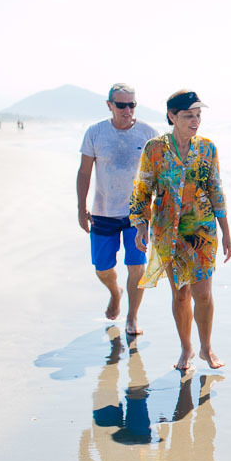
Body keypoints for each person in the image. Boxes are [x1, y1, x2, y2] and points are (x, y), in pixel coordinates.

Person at [130, 90, 231, 371]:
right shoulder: (154, 149)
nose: (195, 121)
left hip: (202, 231)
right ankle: (186, 348)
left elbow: (216, 190)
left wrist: (226, 231)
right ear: (172, 117)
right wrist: (140, 226)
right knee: (180, 294)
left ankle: (206, 347)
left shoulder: (208, 149)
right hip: (167, 232)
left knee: (203, 294)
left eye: (198, 115)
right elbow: (142, 190)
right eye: (189, 116)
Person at [76, 83, 158, 334]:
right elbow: (84, 172)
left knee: (136, 265)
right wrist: (81, 208)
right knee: (102, 268)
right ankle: (115, 291)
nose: (127, 110)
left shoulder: (148, 133)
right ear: (109, 105)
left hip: (138, 214)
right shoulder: (95, 133)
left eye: (131, 105)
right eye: (121, 105)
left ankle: (132, 317)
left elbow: (161, 174)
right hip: (103, 212)